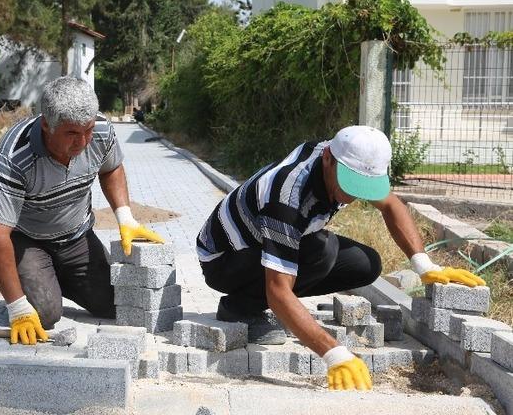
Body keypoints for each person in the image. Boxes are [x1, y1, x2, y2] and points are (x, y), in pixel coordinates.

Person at [195, 125, 485, 391]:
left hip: (262, 241)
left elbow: (391, 204)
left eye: (362, 187)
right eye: (349, 184)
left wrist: (424, 265)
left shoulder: (345, 157)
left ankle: (270, 302)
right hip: (225, 259)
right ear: (327, 159)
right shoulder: (286, 197)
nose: (353, 196)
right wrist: (334, 353)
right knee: (321, 253)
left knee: (366, 264)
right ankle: (238, 307)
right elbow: (277, 290)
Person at [0, 76, 164, 345]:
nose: (83, 141)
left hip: (75, 236)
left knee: (116, 304)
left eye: (87, 130)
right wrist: (17, 308)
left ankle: (54, 277)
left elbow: (111, 167)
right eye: (71, 133)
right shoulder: (15, 155)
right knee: (44, 314)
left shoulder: (100, 130)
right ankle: (34, 283)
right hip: (29, 240)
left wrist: (125, 216)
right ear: (46, 124)